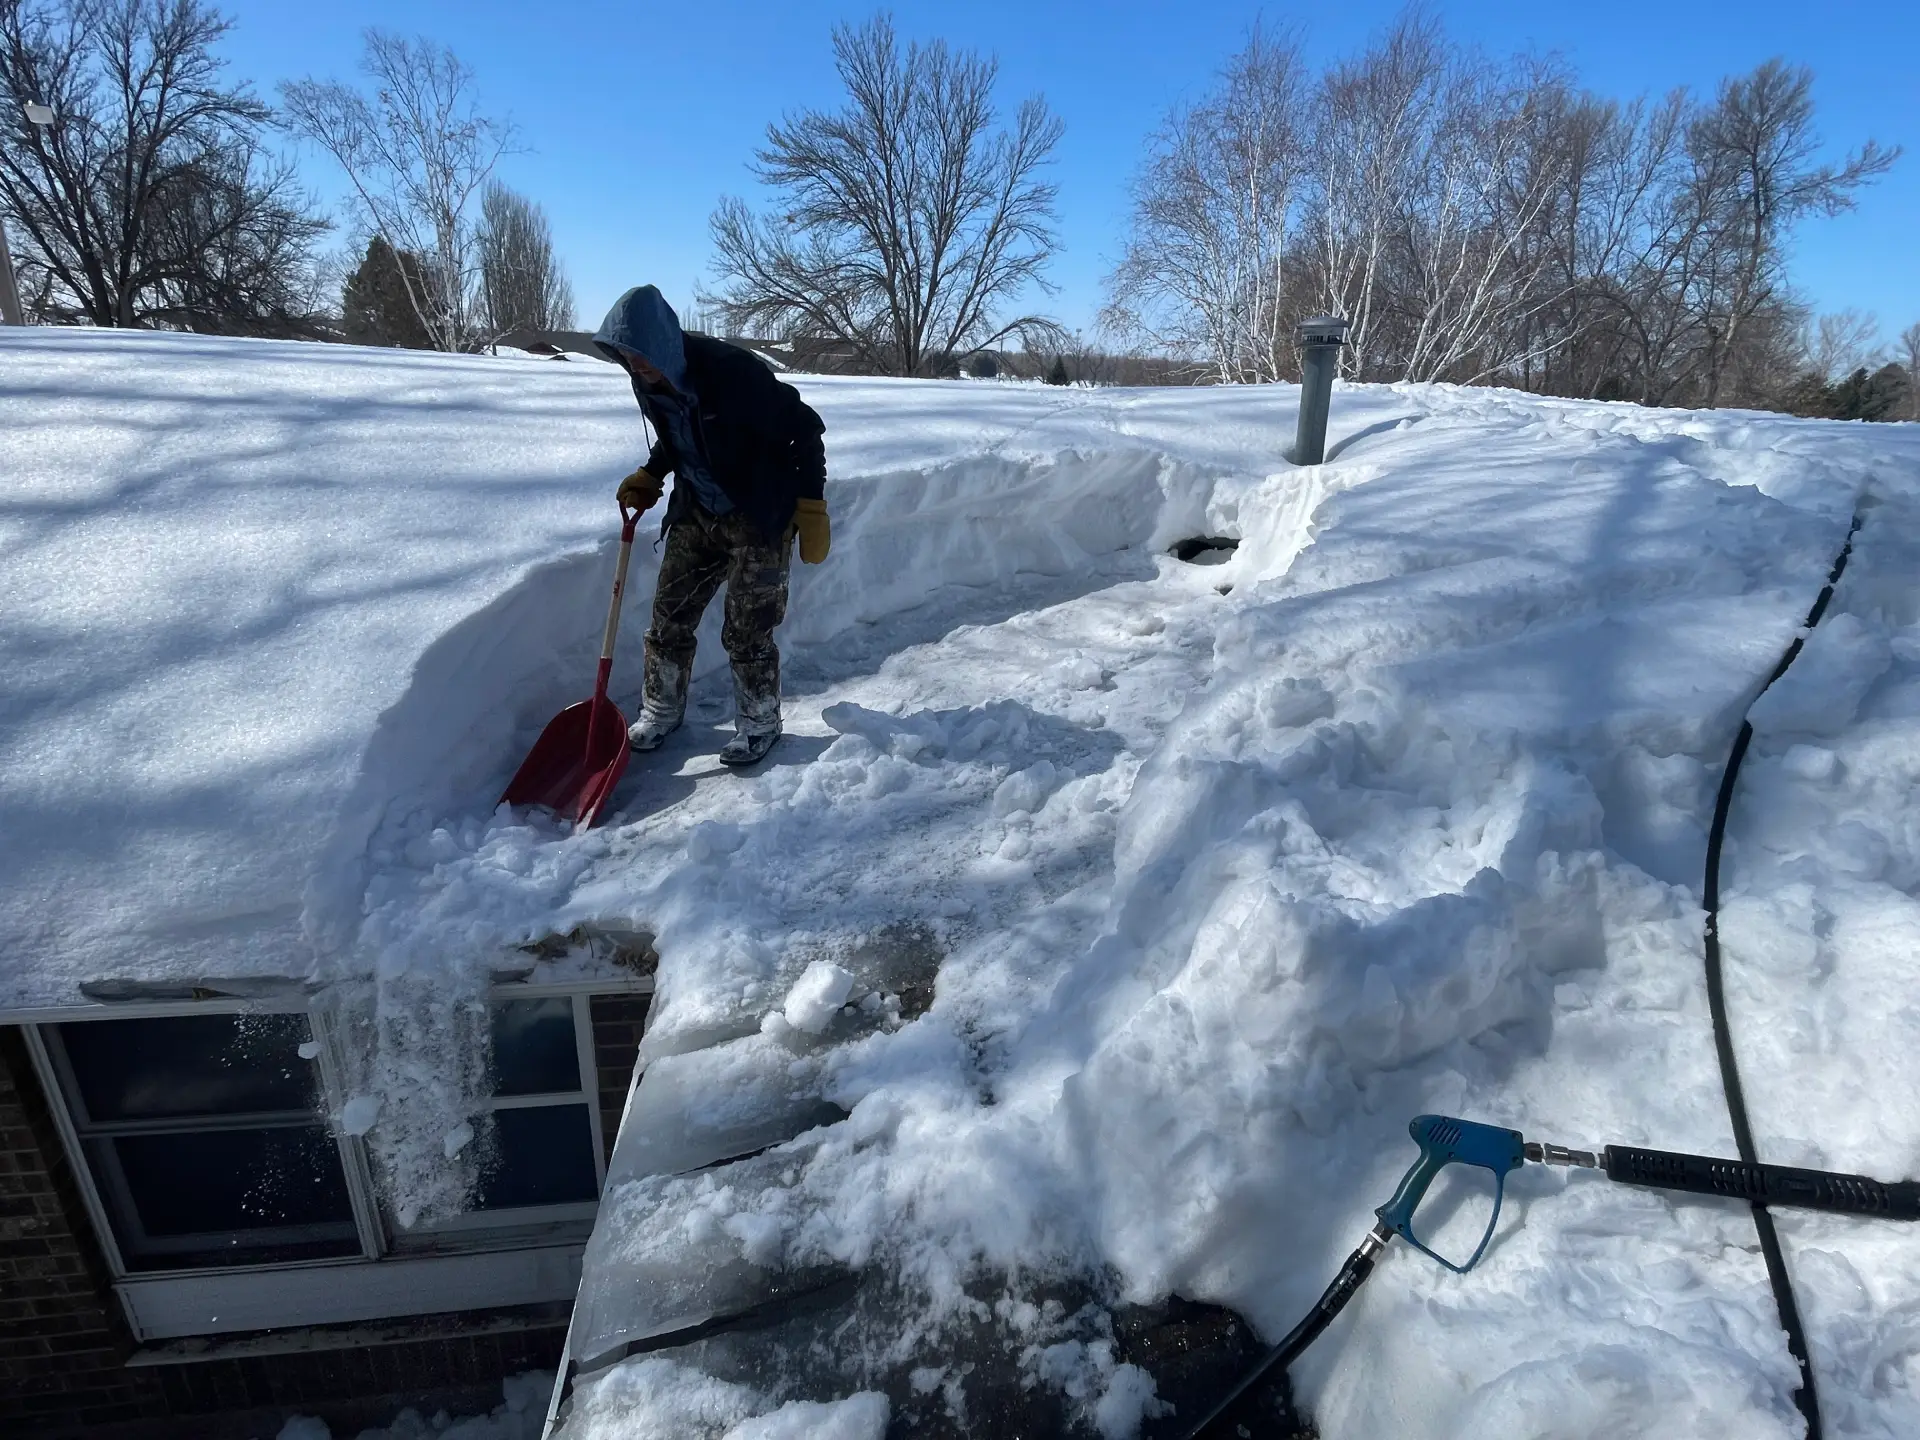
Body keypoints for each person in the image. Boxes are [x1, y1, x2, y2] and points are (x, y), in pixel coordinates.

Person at [592, 287, 829, 766]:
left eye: (640, 357)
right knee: (668, 617)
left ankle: (759, 721)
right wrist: (652, 474)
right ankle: (661, 709)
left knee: (747, 630)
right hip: (697, 509)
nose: (635, 369)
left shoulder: (733, 374)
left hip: (758, 511)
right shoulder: (647, 379)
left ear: (663, 345)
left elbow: (803, 428)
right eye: (626, 359)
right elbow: (683, 434)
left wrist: (811, 505)